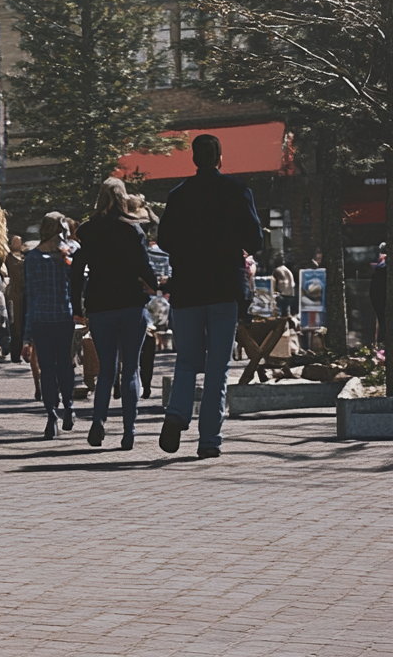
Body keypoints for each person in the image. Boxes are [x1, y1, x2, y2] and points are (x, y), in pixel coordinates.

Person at [156, 134, 263, 459]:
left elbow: (164, 240)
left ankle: (176, 414)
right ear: (219, 157)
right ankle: (209, 441)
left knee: (187, 360)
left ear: (193, 159)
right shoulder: (237, 191)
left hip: (187, 287)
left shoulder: (179, 195)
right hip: (223, 288)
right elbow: (255, 239)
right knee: (218, 366)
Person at [71, 179, 159, 451]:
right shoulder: (133, 229)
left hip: (99, 306)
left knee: (107, 370)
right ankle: (129, 431)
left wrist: (77, 306)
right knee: (130, 369)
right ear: (123, 198)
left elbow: (76, 271)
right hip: (131, 303)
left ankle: (98, 421)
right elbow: (143, 266)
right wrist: (156, 285)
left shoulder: (88, 230)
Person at [21, 213, 76, 439]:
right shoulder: (66, 255)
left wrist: (26, 334)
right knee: (64, 364)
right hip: (62, 316)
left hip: (42, 317)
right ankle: (66, 406)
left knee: (48, 368)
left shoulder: (33, 257)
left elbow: (30, 295)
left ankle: (52, 413)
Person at [4, 235, 26, 363]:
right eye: (14, 241)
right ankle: (15, 354)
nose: (17, 243)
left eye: (19, 241)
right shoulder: (7, 258)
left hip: (25, 292)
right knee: (15, 323)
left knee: (24, 322)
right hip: (13, 293)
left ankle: (25, 351)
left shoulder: (25, 257)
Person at [369, 243, 387, 347]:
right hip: (380, 296)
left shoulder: (380, 265)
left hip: (378, 296)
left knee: (382, 321)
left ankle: (381, 344)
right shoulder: (382, 265)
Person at [272, 254, 296, 319]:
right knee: (287, 314)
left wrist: (275, 292)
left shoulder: (277, 270)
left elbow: (273, 283)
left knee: (280, 315)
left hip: (283, 294)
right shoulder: (287, 269)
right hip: (291, 293)